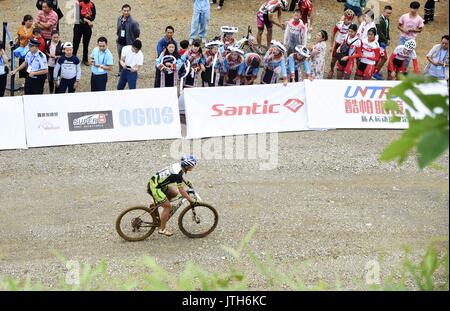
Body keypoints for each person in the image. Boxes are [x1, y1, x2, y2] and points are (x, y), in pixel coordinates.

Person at [147, 155, 199, 237]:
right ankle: (162, 229)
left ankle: (157, 205)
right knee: (168, 207)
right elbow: (182, 191)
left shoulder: (178, 166)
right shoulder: (178, 174)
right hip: (155, 188)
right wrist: (191, 200)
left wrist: (187, 183)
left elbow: (180, 176)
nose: (193, 167)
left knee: (174, 193)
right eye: (192, 165)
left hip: (156, 183)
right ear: (187, 166)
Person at [327, 9, 355, 79]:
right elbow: (333, 34)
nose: (348, 21)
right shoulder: (339, 24)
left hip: (346, 45)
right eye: (346, 18)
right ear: (344, 17)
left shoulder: (352, 26)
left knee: (344, 60)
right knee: (333, 59)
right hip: (338, 43)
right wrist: (331, 45)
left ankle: (342, 71)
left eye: (350, 19)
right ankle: (331, 70)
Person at [116, 4, 140, 75]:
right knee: (120, 57)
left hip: (128, 43)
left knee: (129, 58)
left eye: (127, 11)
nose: (126, 12)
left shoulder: (133, 22)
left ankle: (129, 71)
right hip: (120, 43)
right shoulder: (119, 19)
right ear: (122, 11)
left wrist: (133, 40)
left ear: (130, 11)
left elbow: (137, 32)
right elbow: (118, 29)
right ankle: (121, 71)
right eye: (124, 11)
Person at [73, 0, 96, 66]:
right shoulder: (79, 4)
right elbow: (77, 15)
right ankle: (73, 58)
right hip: (78, 25)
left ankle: (85, 59)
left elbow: (93, 16)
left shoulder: (92, 4)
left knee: (86, 43)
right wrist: (87, 19)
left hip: (87, 27)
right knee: (76, 42)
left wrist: (87, 19)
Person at [373, 5, 392, 80]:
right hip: (379, 42)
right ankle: (374, 73)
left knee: (378, 57)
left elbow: (387, 30)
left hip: (383, 42)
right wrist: (386, 40)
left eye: (390, 13)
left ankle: (374, 71)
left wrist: (389, 38)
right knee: (384, 58)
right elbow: (379, 32)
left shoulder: (387, 19)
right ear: (383, 11)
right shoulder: (379, 20)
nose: (388, 15)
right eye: (387, 13)